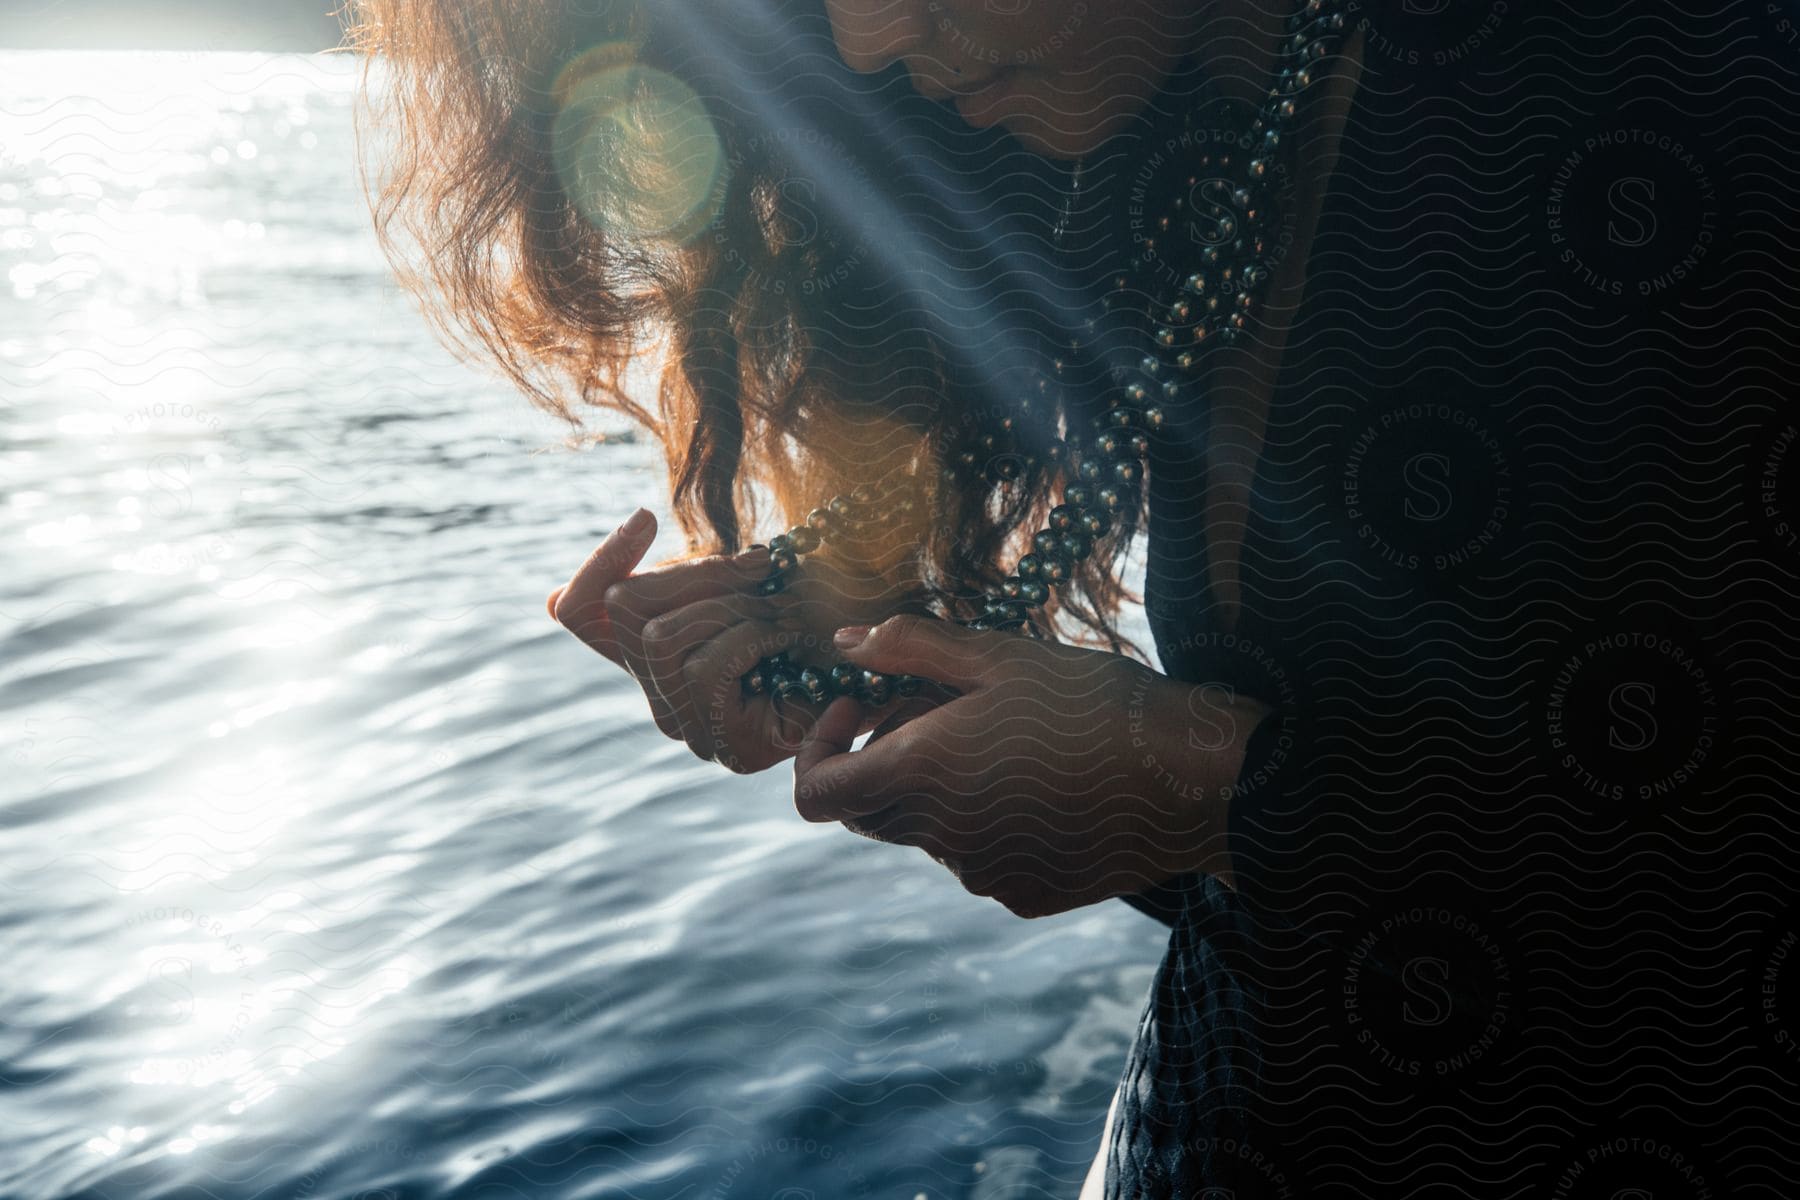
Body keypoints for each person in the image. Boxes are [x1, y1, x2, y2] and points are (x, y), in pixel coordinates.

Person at [354, 0, 1800, 1194]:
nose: (863, 40)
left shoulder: (1704, 85)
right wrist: (835, 651)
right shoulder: (1209, 136)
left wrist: (1210, 796)